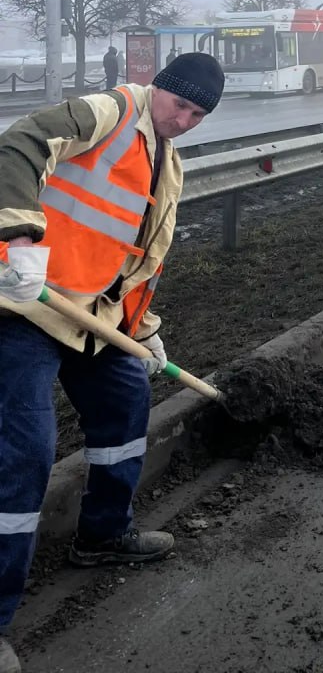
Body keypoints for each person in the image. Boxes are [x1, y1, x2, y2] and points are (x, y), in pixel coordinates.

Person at [0, 52, 225, 673]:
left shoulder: (168, 165)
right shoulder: (112, 112)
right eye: (181, 105)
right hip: (25, 305)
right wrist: (18, 238)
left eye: (200, 114)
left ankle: (102, 536)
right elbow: (19, 144)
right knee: (24, 453)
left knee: (127, 404)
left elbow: (138, 259)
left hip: (92, 319)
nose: (187, 120)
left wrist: (143, 330)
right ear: (160, 89)